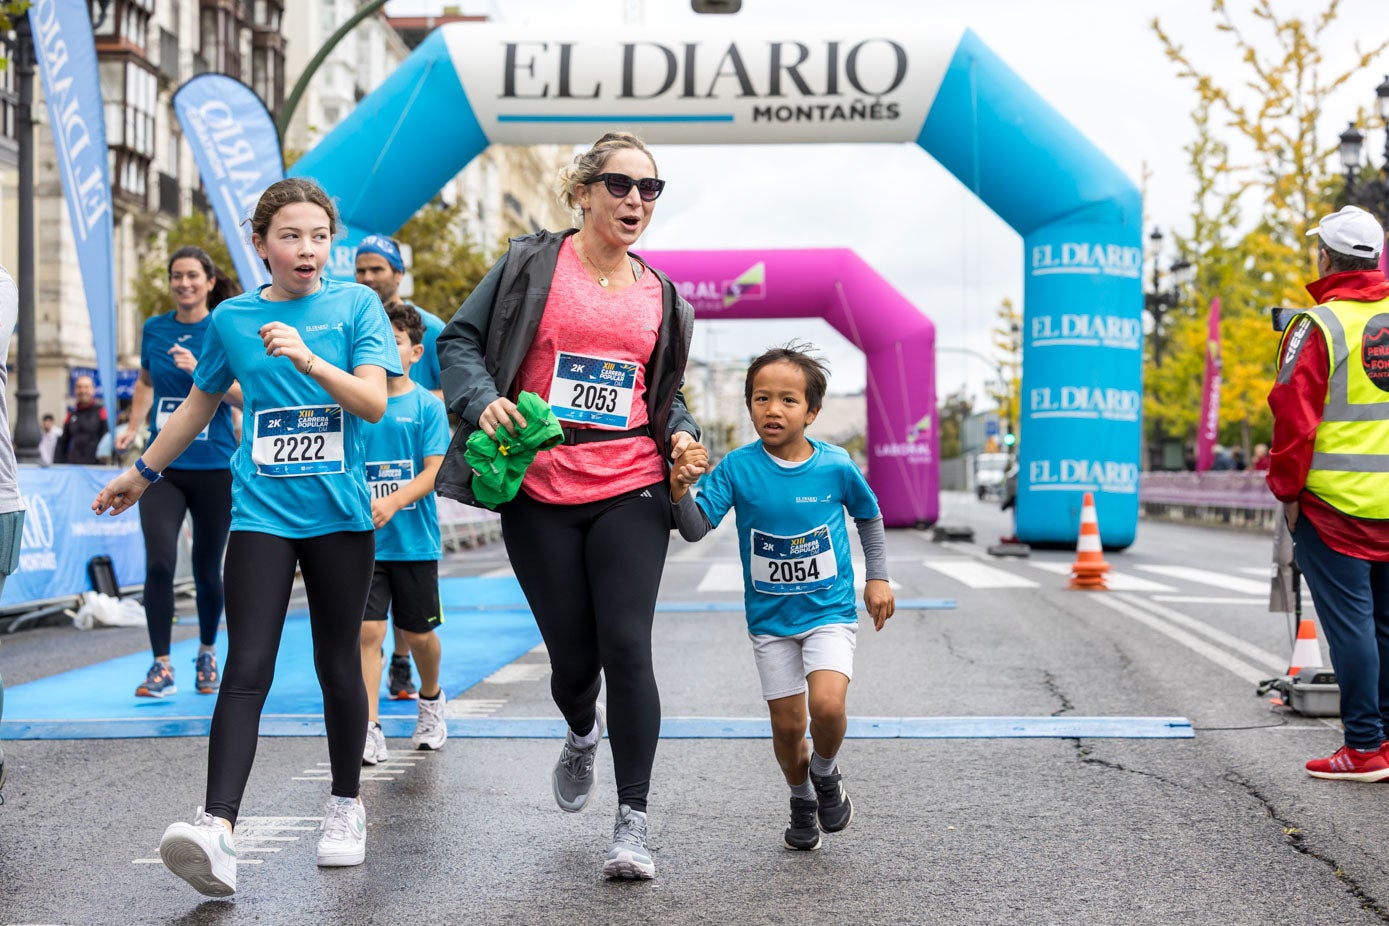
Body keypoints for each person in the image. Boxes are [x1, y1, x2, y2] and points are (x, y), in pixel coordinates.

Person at [92, 177, 401, 895]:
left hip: (339, 517)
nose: (307, 248)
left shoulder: (355, 304)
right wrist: (142, 472)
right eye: (290, 235)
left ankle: (346, 805)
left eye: (319, 236)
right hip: (260, 512)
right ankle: (217, 828)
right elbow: (200, 402)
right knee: (247, 661)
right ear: (261, 245)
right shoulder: (231, 319)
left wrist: (308, 359)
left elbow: (375, 404)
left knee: (334, 664)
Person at [436, 131, 698, 880]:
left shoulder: (663, 296)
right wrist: (482, 401)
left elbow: (662, 399)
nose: (635, 201)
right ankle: (580, 729)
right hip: (540, 485)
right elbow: (457, 342)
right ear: (582, 191)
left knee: (626, 646)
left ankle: (632, 824)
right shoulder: (530, 263)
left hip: (631, 483)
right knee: (574, 661)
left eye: (650, 189)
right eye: (619, 185)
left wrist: (681, 439)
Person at [668, 343, 894, 851]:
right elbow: (696, 529)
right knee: (788, 727)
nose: (773, 409)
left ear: (812, 412)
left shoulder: (835, 466)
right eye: (762, 398)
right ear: (749, 405)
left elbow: (869, 515)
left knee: (828, 705)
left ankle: (827, 773)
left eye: (788, 401)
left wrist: (877, 577)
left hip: (828, 611)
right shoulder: (736, 469)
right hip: (770, 620)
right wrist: (679, 491)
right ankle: (800, 798)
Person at [1267, 204, 1389, 782]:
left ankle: (1364, 748)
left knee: (1352, 629)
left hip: (1335, 508)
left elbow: (1294, 417)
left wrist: (1288, 494)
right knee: (1385, 626)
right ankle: (1383, 740)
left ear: (1326, 258)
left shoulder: (1318, 325)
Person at [117, 246, 242, 699]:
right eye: (177, 276)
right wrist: (133, 426)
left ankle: (207, 652)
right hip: (162, 469)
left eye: (193, 276)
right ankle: (161, 665)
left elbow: (251, 395)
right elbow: (146, 383)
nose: (184, 283)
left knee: (207, 567)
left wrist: (202, 375)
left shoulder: (225, 327)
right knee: (159, 562)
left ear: (210, 282)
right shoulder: (154, 329)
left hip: (214, 467)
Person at [360, 303, 451, 764]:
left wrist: (393, 501)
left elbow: (434, 471)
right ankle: (368, 726)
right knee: (367, 631)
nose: (386, 350)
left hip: (414, 542)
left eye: (394, 341)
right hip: (365, 544)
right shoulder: (359, 404)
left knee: (417, 636)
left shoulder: (426, 408)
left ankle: (431, 700)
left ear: (415, 351)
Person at [355, 233, 444, 700]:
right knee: (368, 628)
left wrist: (420, 407)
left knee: (415, 624)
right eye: (361, 270)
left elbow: (456, 390)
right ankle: (367, 721)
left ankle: (408, 665)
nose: (368, 278)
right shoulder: (349, 322)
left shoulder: (426, 327)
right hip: (363, 513)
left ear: (397, 273)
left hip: (415, 465)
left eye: (377, 269)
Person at [54, 374, 107, 464]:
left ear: (93, 390)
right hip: (74, 466)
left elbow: (107, 438)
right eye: (79, 387)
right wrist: (57, 465)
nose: (82, 390)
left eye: (86, 387)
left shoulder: (102, 411)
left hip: (97, 467)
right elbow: (63, 443)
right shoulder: (70, 415)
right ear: (75, 390)